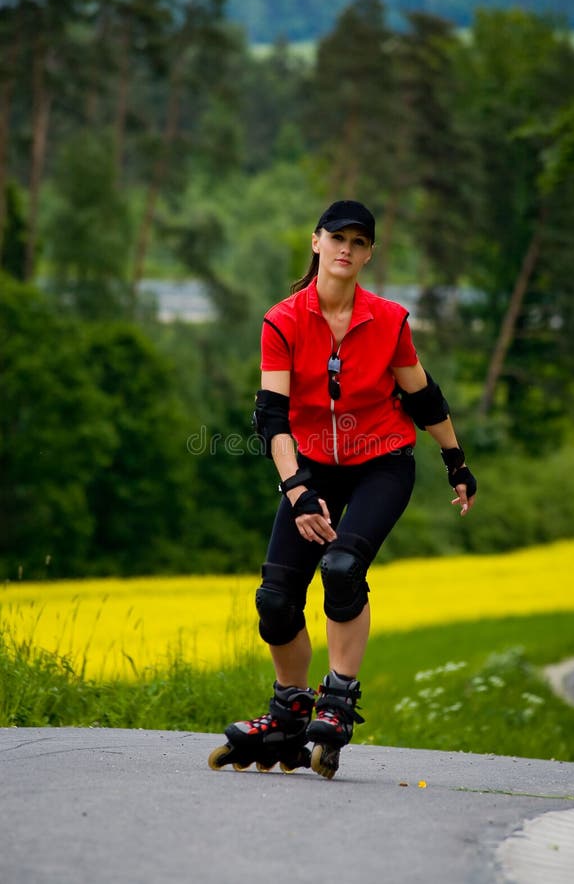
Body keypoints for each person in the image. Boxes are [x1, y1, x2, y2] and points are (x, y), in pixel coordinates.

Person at [208, 200, 477, 779]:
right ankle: (290, 709)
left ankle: (339, 697)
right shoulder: (282, 321)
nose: (346, 249)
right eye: (337, 238)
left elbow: (423, 396)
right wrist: (298, 490)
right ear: (316, 242)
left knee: (341, 565)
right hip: (310, 468)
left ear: (369, 253)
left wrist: (455, 460)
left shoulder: (389, 320)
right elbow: (271, 417)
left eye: (359, 242)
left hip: (382, 461)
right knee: (275, 601)